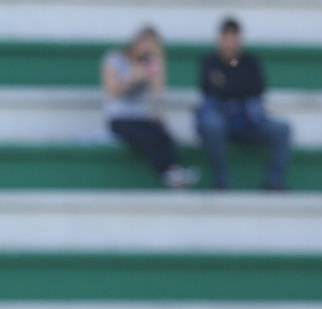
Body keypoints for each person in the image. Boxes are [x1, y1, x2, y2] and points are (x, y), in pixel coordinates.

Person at [196, 17, 292, 191]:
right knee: (211, 124)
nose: (230, 43)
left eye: (234, 38)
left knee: (282, 129)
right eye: (227, 38)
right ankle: (221, 180)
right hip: (221, 120)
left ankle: (274, 181)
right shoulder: (209, 61)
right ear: (220, 39)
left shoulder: (249, 61)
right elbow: (208, 87)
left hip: (248, 120)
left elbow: (258, 87)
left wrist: (226, 84)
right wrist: (238, 86)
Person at [103, 26, 198, 189]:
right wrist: (132, 77)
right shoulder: (115, 58)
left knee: (163, 134)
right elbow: (111, 90)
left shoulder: (149, 64)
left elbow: (159, 91)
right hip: (120, 117)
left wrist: (158, 62)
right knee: (147, 136)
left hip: (141, 117)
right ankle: (167, 172)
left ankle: (174, 170)